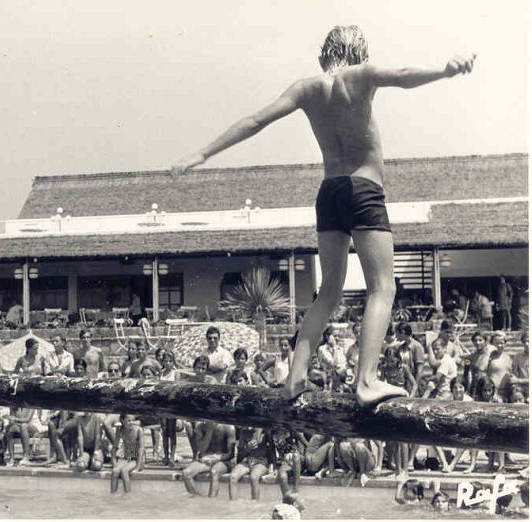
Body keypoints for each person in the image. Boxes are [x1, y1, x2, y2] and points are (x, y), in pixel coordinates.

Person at [172, 25, 476, 407]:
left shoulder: (307, 88)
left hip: (329, 192)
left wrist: (202, 154)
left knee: (329, 291)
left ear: (323, 56)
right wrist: (444, 71)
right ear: (360, 53)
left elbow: (255, 121)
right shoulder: (361, 75)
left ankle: (295, 377)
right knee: (382, 288)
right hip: (364, 189)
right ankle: (366, 381)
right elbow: (401, 76)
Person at [182, 421, 236, 497]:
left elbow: (231, 454)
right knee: (186, 473)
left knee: (214, 472)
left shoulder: (229, 427)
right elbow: (200, 449)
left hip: (223, 460)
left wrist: (217, 459)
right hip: (206, 459)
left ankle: (211, 500)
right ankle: (197, 498)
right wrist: (209, 431)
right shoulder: (200, 427)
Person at [228, 427, 271, 500]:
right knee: (233, 477)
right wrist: (247, 448)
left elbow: (272, 449)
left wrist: (272, 467)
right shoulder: (243, 431)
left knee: (254, 477)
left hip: (262, 462)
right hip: (247, 461)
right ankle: (232, 503)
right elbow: (240, 456)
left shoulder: (265, 430)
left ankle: (255, 504)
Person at [111, 413, 145, 493]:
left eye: (132, 420)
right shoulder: (120, 430)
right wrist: (114, 462)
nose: (131, 422)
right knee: (115, 471)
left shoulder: (139, 430)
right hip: (126, 458)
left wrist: (137, 467)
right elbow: (114, 448)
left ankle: (127, 495)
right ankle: (112, 494)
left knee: (124, 471)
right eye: (129, 421)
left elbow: (141, 449)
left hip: (137, 459)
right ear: (122, 421)